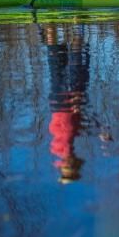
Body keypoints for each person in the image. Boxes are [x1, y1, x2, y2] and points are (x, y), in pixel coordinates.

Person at [43, 24, 90, 183]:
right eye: (73, 165)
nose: (71, 162)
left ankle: (76, 21)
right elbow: (75, 126)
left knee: (72, 56)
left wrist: (76, 109)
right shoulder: (59, 148)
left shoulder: (63, 149)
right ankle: (58, 21)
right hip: (57, 101)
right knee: (57, 56)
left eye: (69, 166)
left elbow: (70, 126)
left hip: (64, 100)